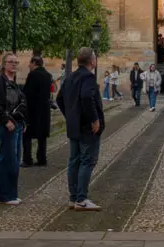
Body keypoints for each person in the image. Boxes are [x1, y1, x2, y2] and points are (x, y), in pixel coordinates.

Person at [58, 46, 104, 211]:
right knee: (87, 161)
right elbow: (86, 97)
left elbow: (59, 99)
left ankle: (73, 197)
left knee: (74, 161)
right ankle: (81, 199)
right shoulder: (88, 78)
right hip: (87, 128)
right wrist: (94, 119)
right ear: (92, 61)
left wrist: (70, 116)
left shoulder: (70, 78)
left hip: (74, 127)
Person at [0, 52, 27, 205]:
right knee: (7, 160)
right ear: (4, 64)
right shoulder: (0, 81)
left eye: (16, 62)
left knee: (15, 160)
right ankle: (4, 196)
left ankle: (12, 194)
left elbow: (21, 101)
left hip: (16, 124)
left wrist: (21, 121)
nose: (14, 64)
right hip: (6, 125)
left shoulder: (13, 81)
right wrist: (6, 121)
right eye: (11, 62)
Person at [22, 54, 54, 167]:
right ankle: (42, 159)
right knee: (42, 136)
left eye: (30, 63)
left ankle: (27, 159)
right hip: (44, 109)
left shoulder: (33, 75)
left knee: (26, 134)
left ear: (34, 63)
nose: (29, 65)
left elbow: (28, 93)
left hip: (33, 109)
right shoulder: (48, 75)